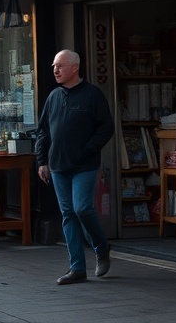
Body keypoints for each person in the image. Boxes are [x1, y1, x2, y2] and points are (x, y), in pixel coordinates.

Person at [35, 49, 114, 285]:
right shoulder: (53, 97)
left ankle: (101, 247)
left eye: (60, 66)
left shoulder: (92, 95)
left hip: (84, 164)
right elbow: (43, 131)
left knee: (82, 208)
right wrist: (41, 161)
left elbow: (106, 128)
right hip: (58, 166)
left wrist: (86, 150)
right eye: (54, 66)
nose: (55, 70)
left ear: (74, 67)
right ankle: (77, 268)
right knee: (68, 214)